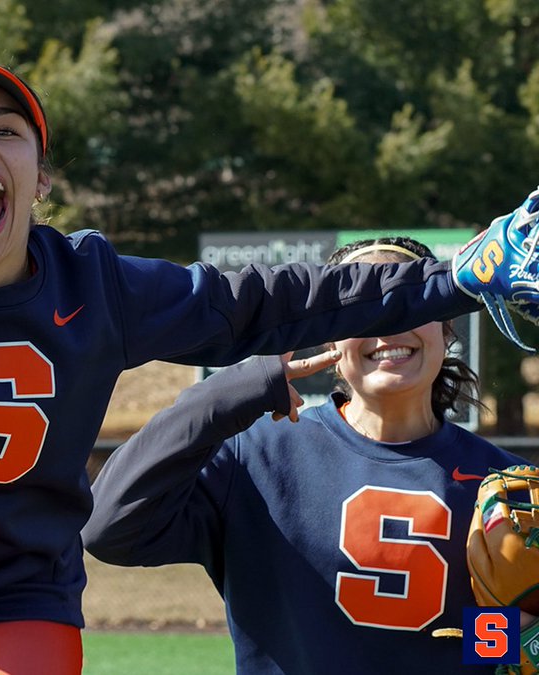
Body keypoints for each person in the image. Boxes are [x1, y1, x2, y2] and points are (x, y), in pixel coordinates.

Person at [0, 24, 488, 673]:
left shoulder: (94, 285)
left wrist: (463, 276)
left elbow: (265, 302)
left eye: (4, 131)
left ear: (40, 179)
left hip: (5, 598)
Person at [82, 237, 530, 674]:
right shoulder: (254, 456)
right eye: (369, 310)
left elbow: (487, 651)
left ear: (447, 328)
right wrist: (228, 394)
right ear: (329, 341)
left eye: (410, 307)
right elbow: (109, 527)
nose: (390, 326)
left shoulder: (509, 487)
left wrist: (522, 637)